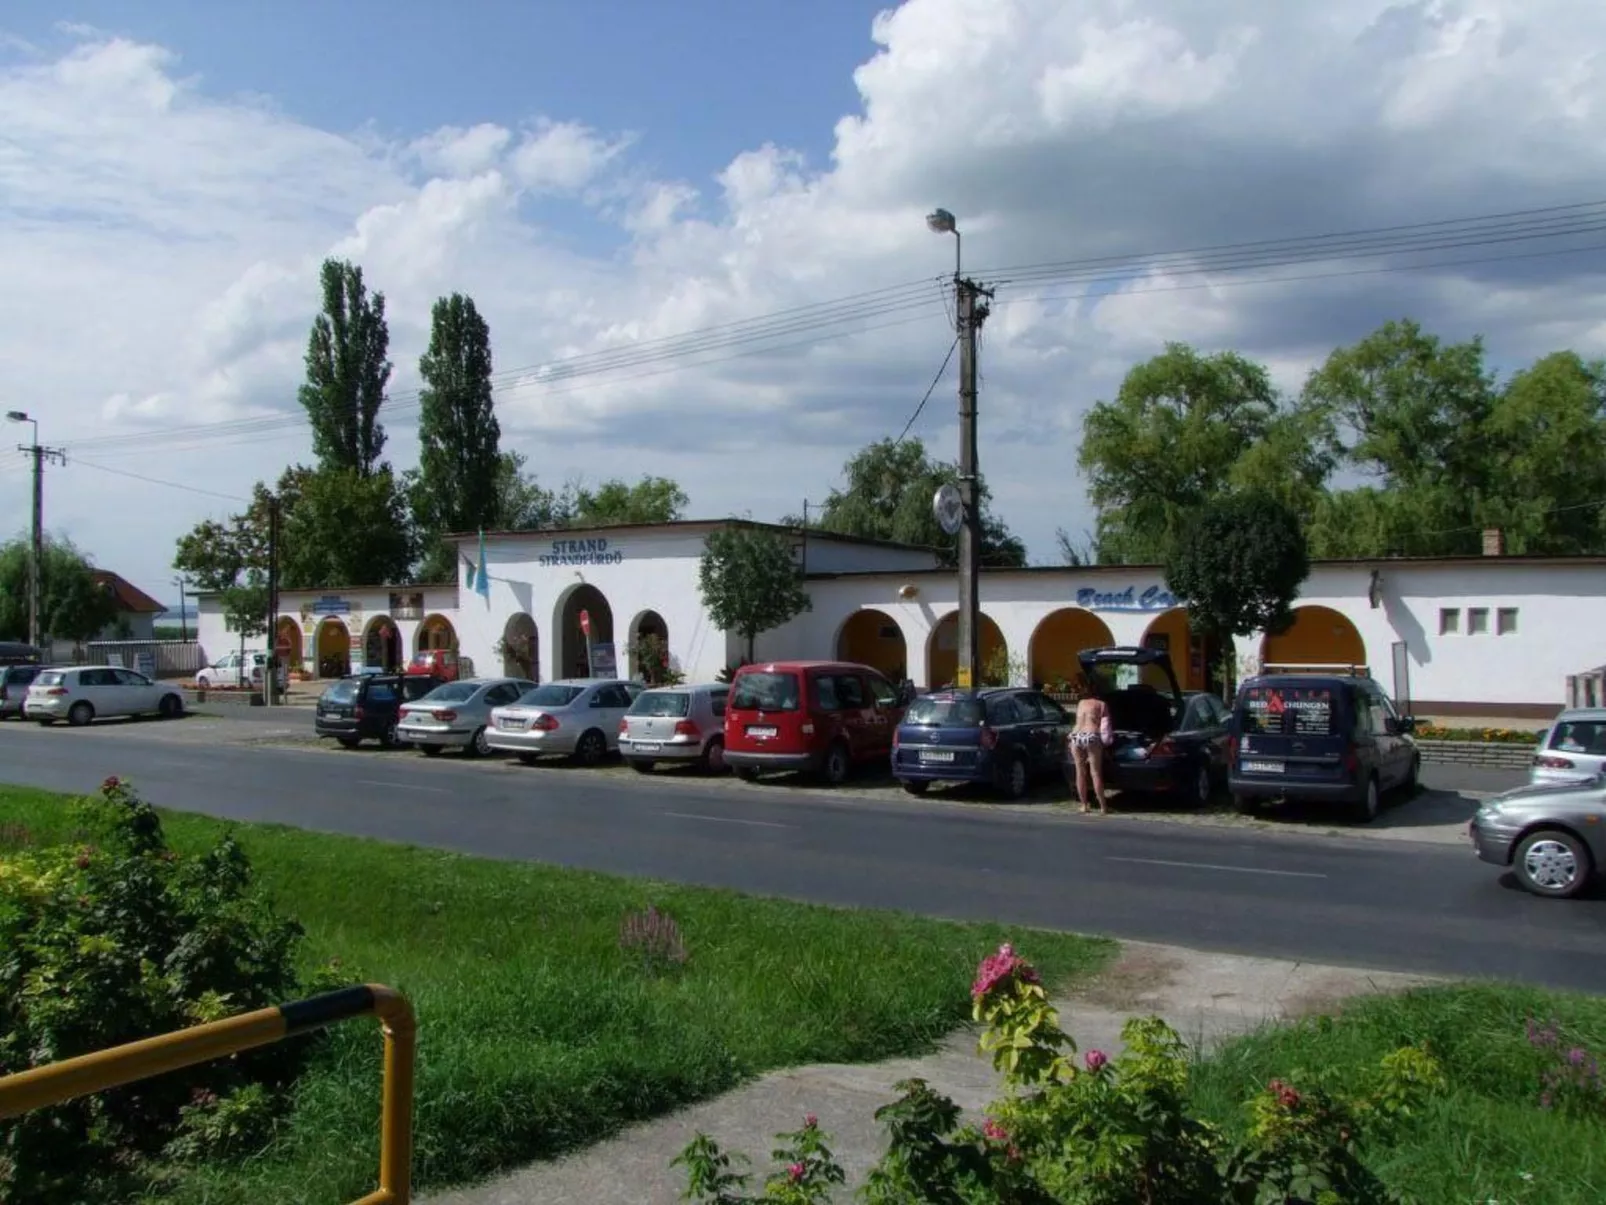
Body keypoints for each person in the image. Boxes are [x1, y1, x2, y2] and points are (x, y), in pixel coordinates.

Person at [1066, 693, 1112, 815]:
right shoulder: (1102, 704)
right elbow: (1106, 726)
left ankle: (1084, 805)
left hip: (1076, 735)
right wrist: (1107, 742)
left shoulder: (1081, 703)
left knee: (1080, 772)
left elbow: (1077, 720)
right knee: (1095, 773)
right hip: (1091, 734)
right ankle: (1103, 807)